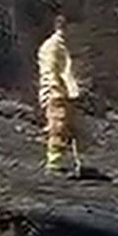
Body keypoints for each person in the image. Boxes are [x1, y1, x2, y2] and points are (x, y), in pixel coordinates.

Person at [37, 14, 82, 177]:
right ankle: (53, 164)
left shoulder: (63, 46)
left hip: (64, 93)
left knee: (66, 128)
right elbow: (50, 71)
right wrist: (55, 91)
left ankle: (61, 162)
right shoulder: (52, 46)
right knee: (57, 126)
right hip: (56, 92)